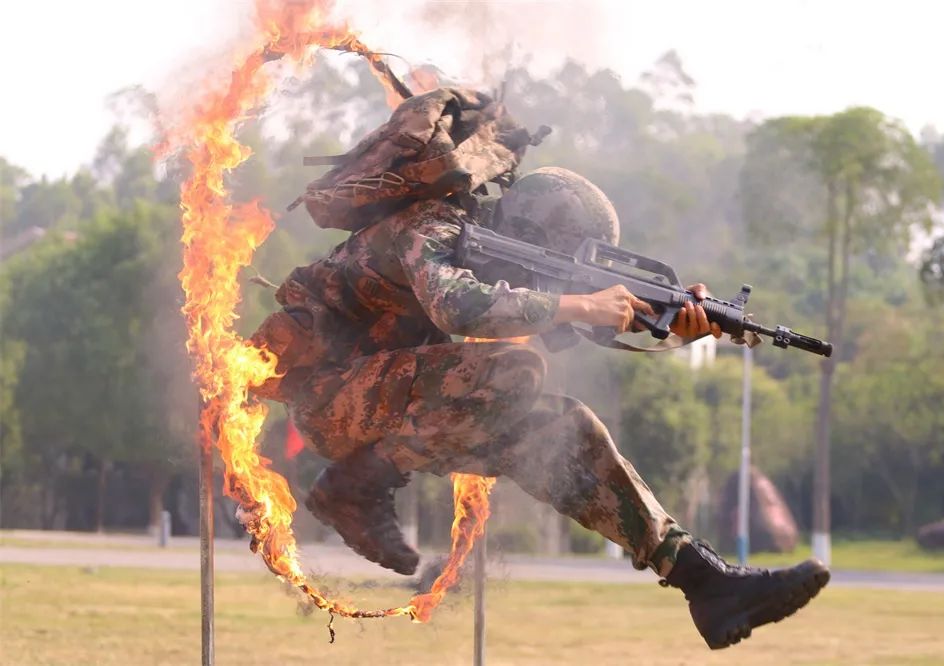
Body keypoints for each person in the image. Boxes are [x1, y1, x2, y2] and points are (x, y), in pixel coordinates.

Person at [250, 166, 829, 649]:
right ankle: (352, 485)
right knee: (516, 369)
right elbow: (456, 307)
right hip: (328, 396)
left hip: (390, 402)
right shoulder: (429, 225)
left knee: (561, 427)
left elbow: (568, 316)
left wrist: (671, 325)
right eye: (558, 262)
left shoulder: (484, 255)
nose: (556, 279)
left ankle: (704, 581)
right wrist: (580, 302)